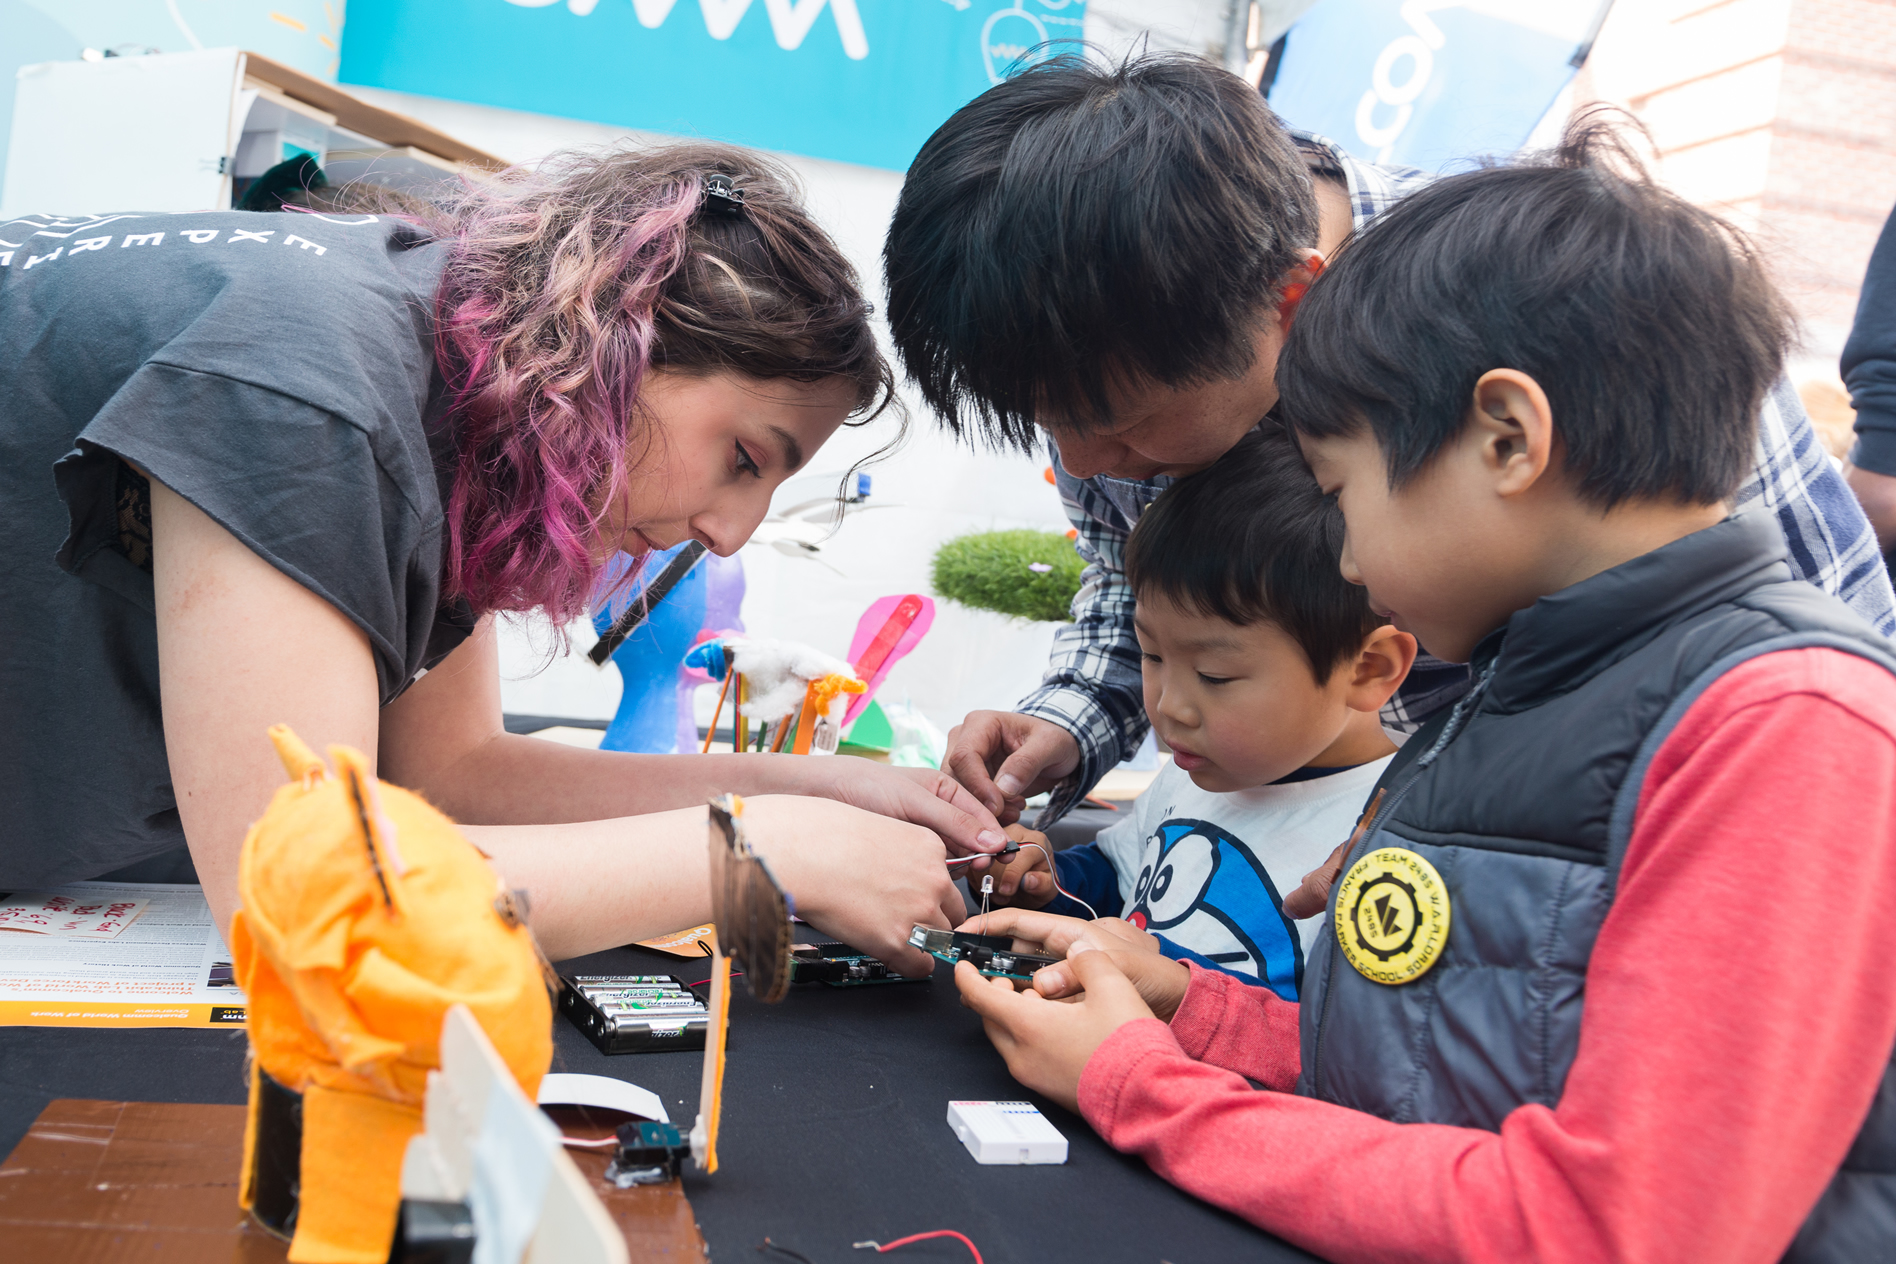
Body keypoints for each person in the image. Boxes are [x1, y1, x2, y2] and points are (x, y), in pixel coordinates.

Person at [952, 123, 1896, 1260]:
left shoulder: (1790, 732)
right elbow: (1435, 1059)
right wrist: (1190, 1008)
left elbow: (1610, 1225)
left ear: (1506, 437)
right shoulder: (1514, 694)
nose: (1346, 565)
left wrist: (1146, 1089)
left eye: (1343, 492)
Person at [0, 142, 1006, 972]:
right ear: (622, 339)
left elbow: (450, 774)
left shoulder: (448, 366)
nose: (730, 533)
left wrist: (819, 793)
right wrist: (766, 852)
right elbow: (306, 900)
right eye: (742, 458)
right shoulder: (311, 383)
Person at [883, 53, 1896, 834]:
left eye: (1118, 419)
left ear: (1294, 300)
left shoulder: (1578, 299)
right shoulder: (1132, 353)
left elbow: (1827, 674)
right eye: (1045, 421)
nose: (1085, 462)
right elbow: (1137, 584)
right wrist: (1068, 724)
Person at [972, 424, 1414, 999]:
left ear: (1367, 670)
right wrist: (1042, 883)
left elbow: (1319, 1036)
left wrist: (1157, 967)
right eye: (1151, 654)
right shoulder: (1201, 768)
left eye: (1215, 676)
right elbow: (1122, 882)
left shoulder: (1386, 835)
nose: (1168, 706)